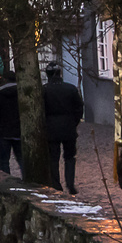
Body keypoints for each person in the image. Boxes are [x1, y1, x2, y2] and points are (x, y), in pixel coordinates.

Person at [43, 63, 86, 195]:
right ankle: (70, 184)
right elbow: (79, 108)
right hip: (68, 127)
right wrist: (74, 122)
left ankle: (56, 184)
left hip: (51, 128)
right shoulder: (71, 89)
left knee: (53, 158)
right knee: (69, 157)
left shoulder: (44, 90)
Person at [0, 73, 24, 175]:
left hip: (3, 131)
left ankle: (7, 180)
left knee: (4, 160)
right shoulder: (22, 92)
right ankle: (27, 179)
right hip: (19, 130)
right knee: (21, 158)